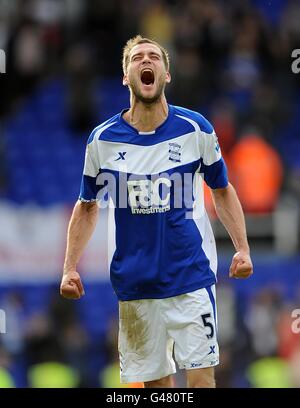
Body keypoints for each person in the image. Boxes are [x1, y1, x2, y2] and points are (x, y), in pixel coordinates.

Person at [60, 35, 253, 388]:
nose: (145, 61)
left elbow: (222, 189)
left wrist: (242, 247)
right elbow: (87, 205)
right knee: (156, 390)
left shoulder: (195, 129)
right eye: (136, 58)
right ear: (125, 76)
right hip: (136, 285)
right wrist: (70, 267)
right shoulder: (102, 140)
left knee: (201, 382)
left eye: (154, 57)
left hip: (189, 277)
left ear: (166, 75)